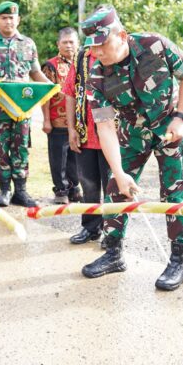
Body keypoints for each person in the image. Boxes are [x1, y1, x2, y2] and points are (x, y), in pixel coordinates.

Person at [80, 5, 183, 291]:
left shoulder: (154, 45)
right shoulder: (96, 75)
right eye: (92, 48)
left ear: (121, 35)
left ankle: (178, 261)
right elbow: (105, 126)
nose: (97, 53)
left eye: (102, 45)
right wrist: (119, 172)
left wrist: (181, 116)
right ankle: (113, 253)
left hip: (170, 129)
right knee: (115, 187)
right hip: (132, 134)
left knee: (173, 192)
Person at [0, 1, 52, 208]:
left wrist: (52, 87)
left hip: (22, 109)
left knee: (22, 146)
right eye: (4, 18)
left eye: (12, 18)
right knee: (0, 146)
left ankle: (21, 191)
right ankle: (4, 190)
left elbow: (35, 73)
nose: (8, 21)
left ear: (18, 20)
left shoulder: (28, 43)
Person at [64, 36, 110, 244]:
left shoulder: (115, 54)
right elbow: (70, 93)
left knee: (112, 187)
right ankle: (90, 228)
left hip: (111, 133)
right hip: (84, 132)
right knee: (88, 185)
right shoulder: (81, 57)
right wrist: (71, 127)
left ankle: (113, 234)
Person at [41, 27, 81, 204]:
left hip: (79, 122)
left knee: (76, 157)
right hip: (57, 120)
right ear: (58, 44)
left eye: (72, 41)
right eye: (65, 42)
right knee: (59, 158)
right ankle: (61, 190)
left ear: (77, 43)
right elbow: (45, 95)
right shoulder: (51, 65)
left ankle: (74, 188)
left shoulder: (82, 63)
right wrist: (46, 119)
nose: (69, 45)